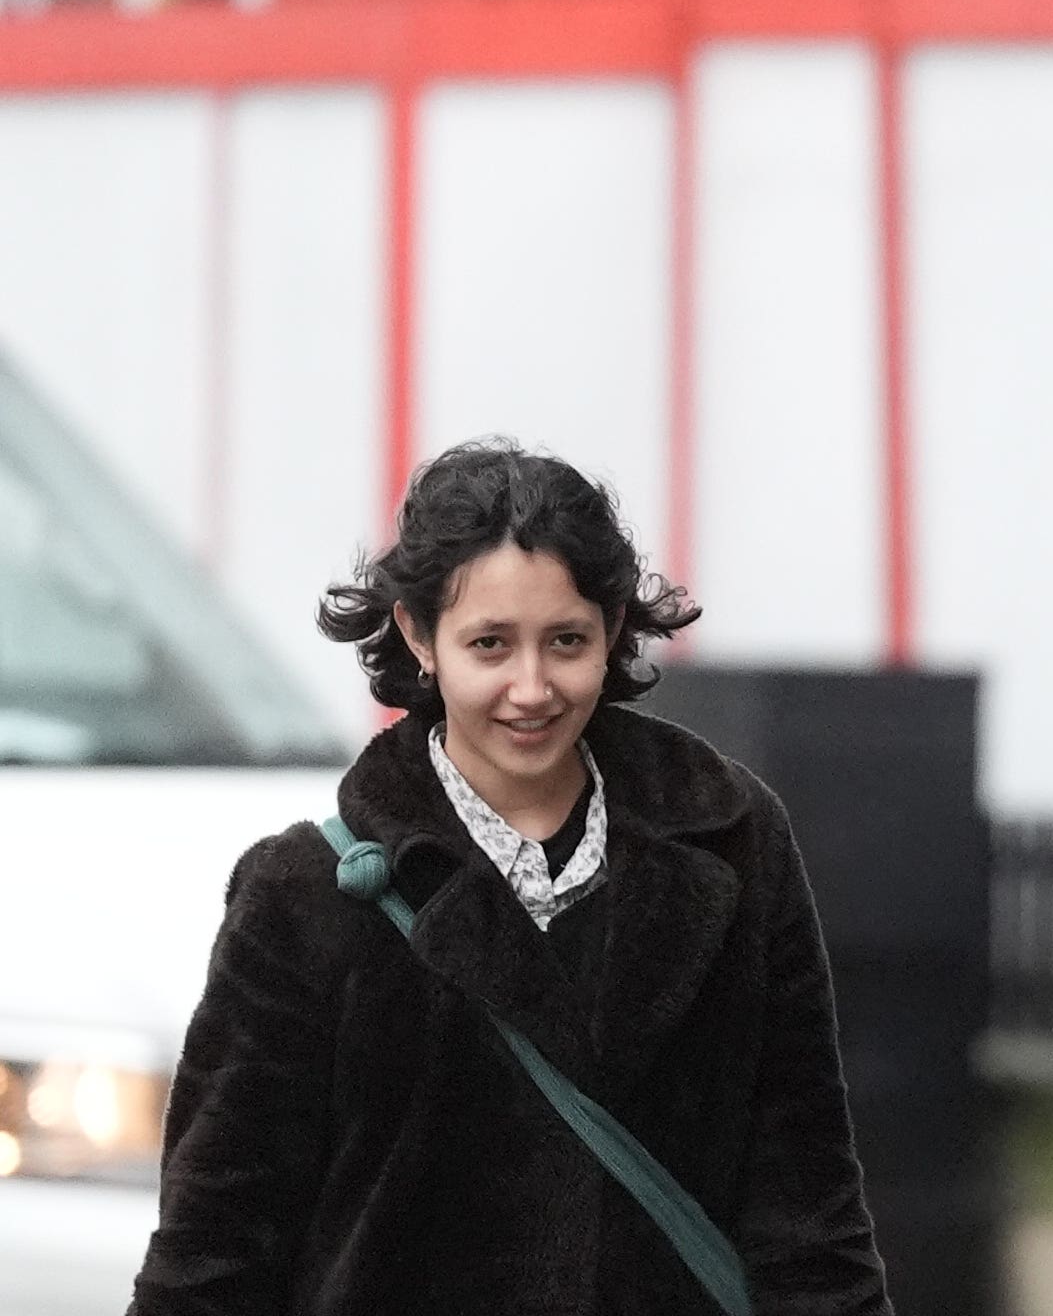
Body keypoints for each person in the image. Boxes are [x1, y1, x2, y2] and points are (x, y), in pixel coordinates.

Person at [131, 439, 891, 1316]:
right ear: (419, 636)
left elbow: (811, 1215)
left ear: (611, 631)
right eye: (490, 644)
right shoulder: (306, 894)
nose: (531, 688)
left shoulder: (732, 843)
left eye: (565, 641)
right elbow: (215, 1248)